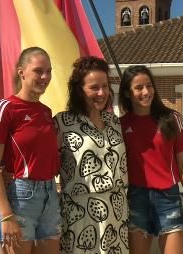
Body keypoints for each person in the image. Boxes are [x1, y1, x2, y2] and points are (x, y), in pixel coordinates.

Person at [0, 47, 61, 254]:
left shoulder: (46, 111)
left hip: (50, 194)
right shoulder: (5, 108)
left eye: (49, 71)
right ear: (22, 72)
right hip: (21, 198)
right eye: (38, 71)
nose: (45, 77)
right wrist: (6, 215)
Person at [118, 65, 183, 254]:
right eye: (138, 88)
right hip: (136, 199)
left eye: (149, 85)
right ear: (127, 93)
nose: (146, 92)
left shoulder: (171, 118)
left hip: (169, 198)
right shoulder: (120, 125)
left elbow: (182, 165)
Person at [54, 56, 129, 254]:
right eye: (94, 87)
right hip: (79, 215)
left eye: (105, 86)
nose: (102, 92)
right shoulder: (62, 123)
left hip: (117, 211)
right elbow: (41, 159)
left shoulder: (114, 121)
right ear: (79, 89)